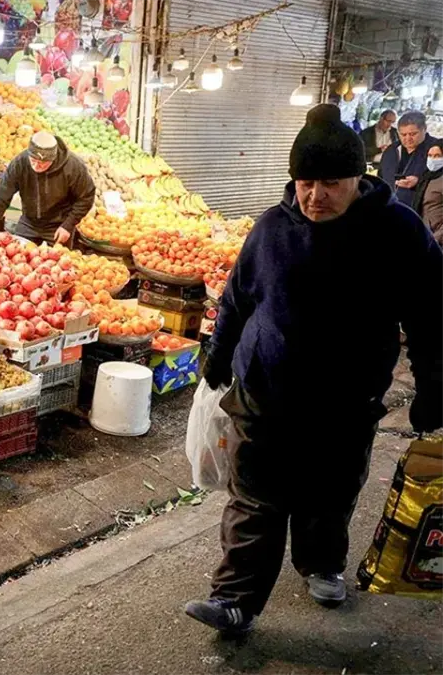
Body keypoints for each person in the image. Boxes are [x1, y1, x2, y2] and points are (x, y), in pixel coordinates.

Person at [186, 104, 443, 634]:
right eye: (305, 183)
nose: (315, 196)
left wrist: (433, 384)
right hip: (264, 389)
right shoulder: (272, 228)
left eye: (330, 184)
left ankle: (322, 564)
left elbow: (430, 316)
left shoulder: (397, 231)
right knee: (254, 498)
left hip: (346, 398)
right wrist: (218, 356)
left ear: (357, 179)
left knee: (330, 490)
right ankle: (235, 599)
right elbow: (237, 297)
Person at [0, 131, 96, 245]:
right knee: (18, 252)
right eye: (33, 160)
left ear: (53, 158)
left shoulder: (73, 166)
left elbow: (86, 196)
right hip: (29, 222)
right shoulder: (20, 162)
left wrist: (68, 225)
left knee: (57, 256)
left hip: (58, 225)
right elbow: (2, 195)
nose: (36, 166)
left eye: (42, 163)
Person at [378, 110, 437, 205]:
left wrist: (419, 182)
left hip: (424, 209)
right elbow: (381, 177)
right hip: (390, 207)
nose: (408, 138)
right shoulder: (391, 150)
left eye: (413, 134)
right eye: (403, 134)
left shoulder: (438, 149)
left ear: (424, 129)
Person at [412, 142, 443, 244]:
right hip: (425, 235)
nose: (432, 159)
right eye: (430, 155)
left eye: (437, 156)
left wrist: (435, 238)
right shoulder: (427, 176)